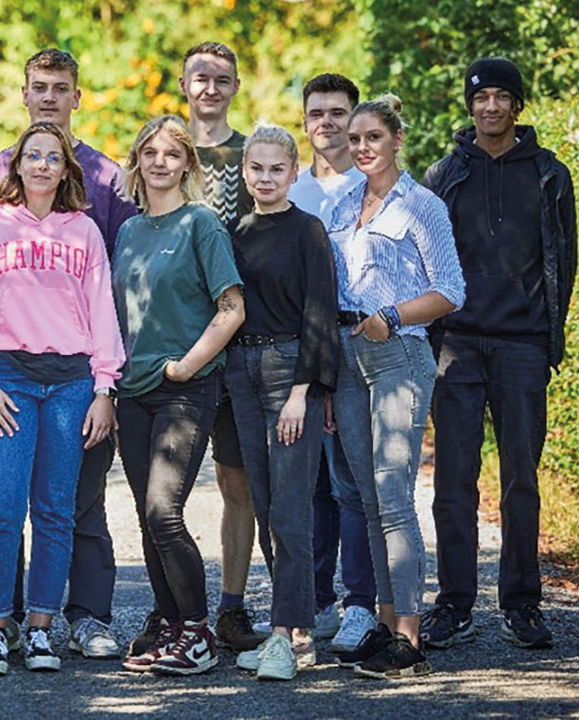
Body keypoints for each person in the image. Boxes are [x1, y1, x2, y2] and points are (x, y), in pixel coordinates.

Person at [0, 47, 137, 661]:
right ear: (18, 162)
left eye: (52, 157)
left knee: (57, 509)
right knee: (1, 506)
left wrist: (105, 388)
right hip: (7, 376)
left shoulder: (83, 229)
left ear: (65, 169)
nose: (41, 164)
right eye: (32, 155)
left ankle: (39, 627)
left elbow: (103, 311)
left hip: (71, 382)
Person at [421, 57, 576, 651]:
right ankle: (454, 604)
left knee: (521, 481)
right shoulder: (445, 174)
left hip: (522, 346)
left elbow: (564, 261)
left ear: (517, 104)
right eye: (481, 96)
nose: (491, 106)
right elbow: (425, 258)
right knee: (454, 483)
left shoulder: (548, 174)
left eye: (501, 96)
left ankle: (522, 604)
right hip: (456, 344)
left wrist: (548, 336)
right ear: (470, 105)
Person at [327, 95, 465, 679]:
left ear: (396, 139)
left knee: (392, 497)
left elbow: (451, 290)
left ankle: (410, 639)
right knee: (365, 498)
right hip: (346, 358)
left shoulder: (421, 205)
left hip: (399, 355)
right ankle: (385, 628)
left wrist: (393, 314)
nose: (362, 147)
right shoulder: (340, 205)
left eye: (374, 137)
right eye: (355, 138)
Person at [112, 116, 244, 676]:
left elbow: (232, 308)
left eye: (171, 153)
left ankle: (197, 632)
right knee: (147, 517)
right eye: (150, 153)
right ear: (137, 162)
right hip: (132, 389)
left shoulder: (201, 223)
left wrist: (186, 366)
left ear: (188, 162)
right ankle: (169, 627)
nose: (160, 162)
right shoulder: (128, 230)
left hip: (184, 388)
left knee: (163, 511)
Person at [226, 124, 340, 680]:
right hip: (241, 371)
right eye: (257, 168)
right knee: (268, 504)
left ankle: (285, 635)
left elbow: (320, 312)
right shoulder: (235, 231)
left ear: (294, 172)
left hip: (288, 371)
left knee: (292, 509)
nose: (266, 177)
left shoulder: (307, 231)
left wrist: (303, 392)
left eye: (277, 168)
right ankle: (294, 631)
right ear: (245, 172)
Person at [280, 73, 379, 655]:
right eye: (317, 112)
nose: (327, 122)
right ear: (305, 120)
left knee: (350, 483)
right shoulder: (292, 189)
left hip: (354, 344)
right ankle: (316, 600)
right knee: (310, 484)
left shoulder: (370, 185)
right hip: (298, 348)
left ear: (353, 118)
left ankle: (360, 602)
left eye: (338, 112)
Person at [170, 39, 260, 654]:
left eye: (221, 78)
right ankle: (172, 609)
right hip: (173, 342)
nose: (210, 87)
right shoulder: (163, 152)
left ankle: (231, 606)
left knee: (238, 482)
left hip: (239, 343)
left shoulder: (252, 157)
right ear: (184, 84)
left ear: (234, 87)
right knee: (165, 489)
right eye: (200, 77)